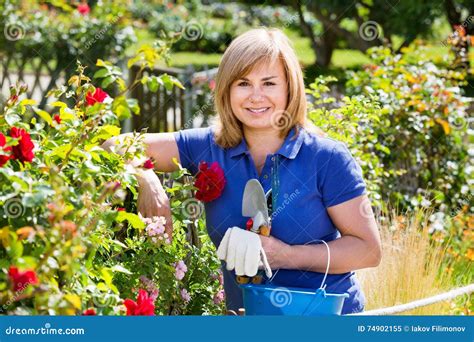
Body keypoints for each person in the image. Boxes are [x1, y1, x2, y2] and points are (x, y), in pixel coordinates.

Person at [103, 28, 381, 315]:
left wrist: (285, 256)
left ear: (290, 88)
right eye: (243, 83)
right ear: (227, 89)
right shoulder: (208, 147)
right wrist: (145, 176)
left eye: (269, 83)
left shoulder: (326, 157)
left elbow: (368, 250)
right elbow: (112, 146)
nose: (256, 96)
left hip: (325, 318)